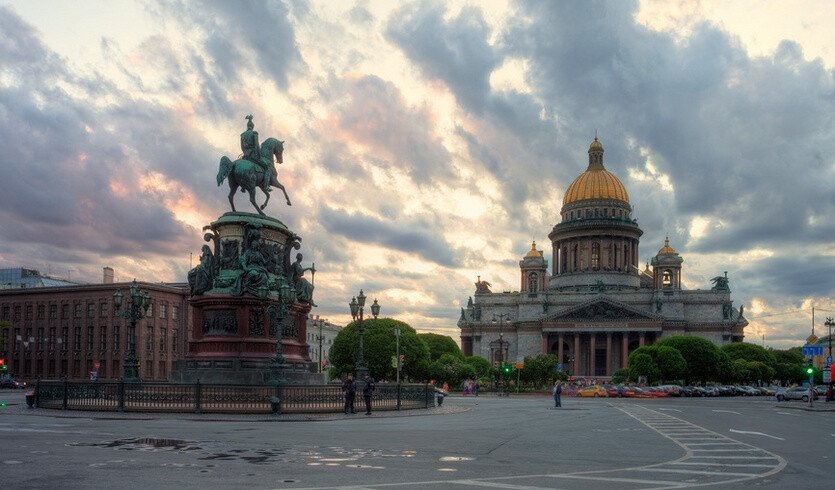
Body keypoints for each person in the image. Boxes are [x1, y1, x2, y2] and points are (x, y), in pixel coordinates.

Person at [240, 115, 271, 193]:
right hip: (253, 155)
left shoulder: (242, 135)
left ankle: (243, 186)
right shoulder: (254, 133)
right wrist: (259, 154)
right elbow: (256, 145)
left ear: (247, 126)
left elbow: (242, 146)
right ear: (252, 126)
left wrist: (245, 153)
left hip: (246, 155)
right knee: (267, 168)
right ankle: (266, 186)